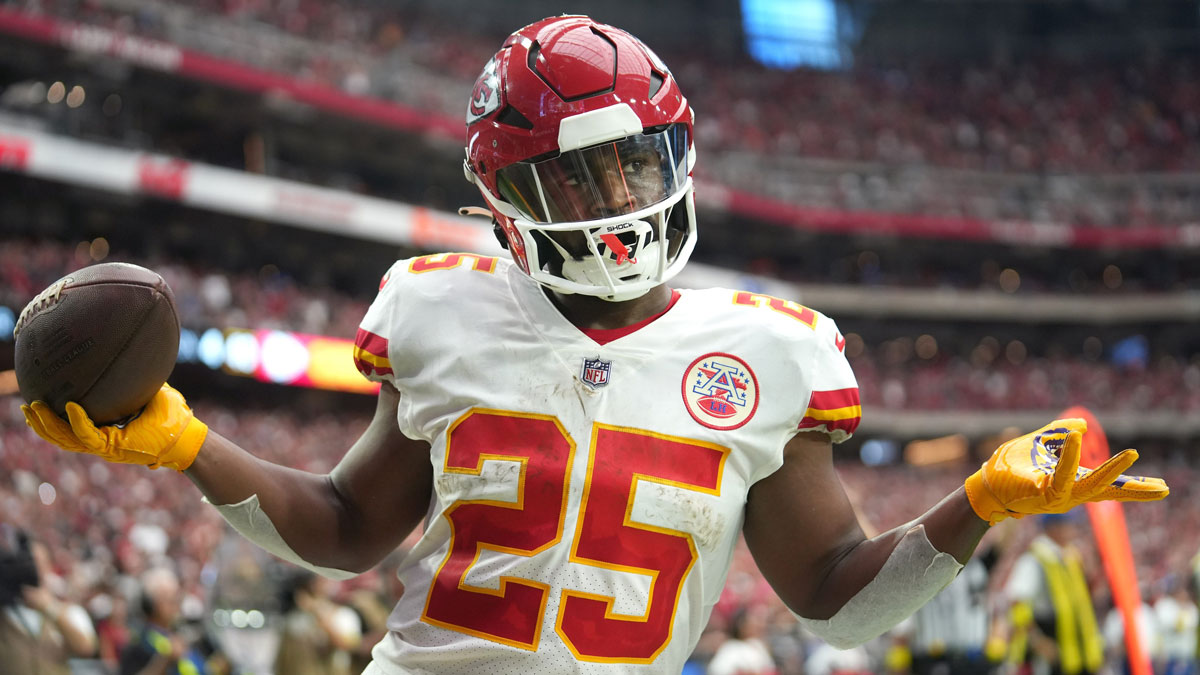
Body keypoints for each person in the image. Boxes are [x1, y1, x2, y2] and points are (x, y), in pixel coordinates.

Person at [20, 14, 1169, 675]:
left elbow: (835, 602)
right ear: (506, 194)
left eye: (631, 163)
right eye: (577, 172)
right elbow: (349, 529)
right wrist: (187, 445)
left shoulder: (773, 348)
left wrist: (969, 506)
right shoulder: (438, 307)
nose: (615, 196)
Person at [1004, 513, 1106, 675]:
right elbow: (1017, 602)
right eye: (1069, 525)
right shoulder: (1034, 559)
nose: (1073, 531)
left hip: (1075, 655)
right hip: (1052, 648)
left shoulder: (1069, 557)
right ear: (1054, 527)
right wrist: (1037, 640)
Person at [0, 526, 97, 673]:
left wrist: (49, 608)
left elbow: (86, 648)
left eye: (33, 561)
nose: (26, 567)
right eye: (20, 561)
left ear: (49, 566)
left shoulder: (68, 610)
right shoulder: (5, 612)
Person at [118, 566, 209, 675]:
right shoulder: (138, 641)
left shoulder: (183, 636)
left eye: (178, 599)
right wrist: (164, 661)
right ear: (150, 604)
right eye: (170, 600)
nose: (176, 605)